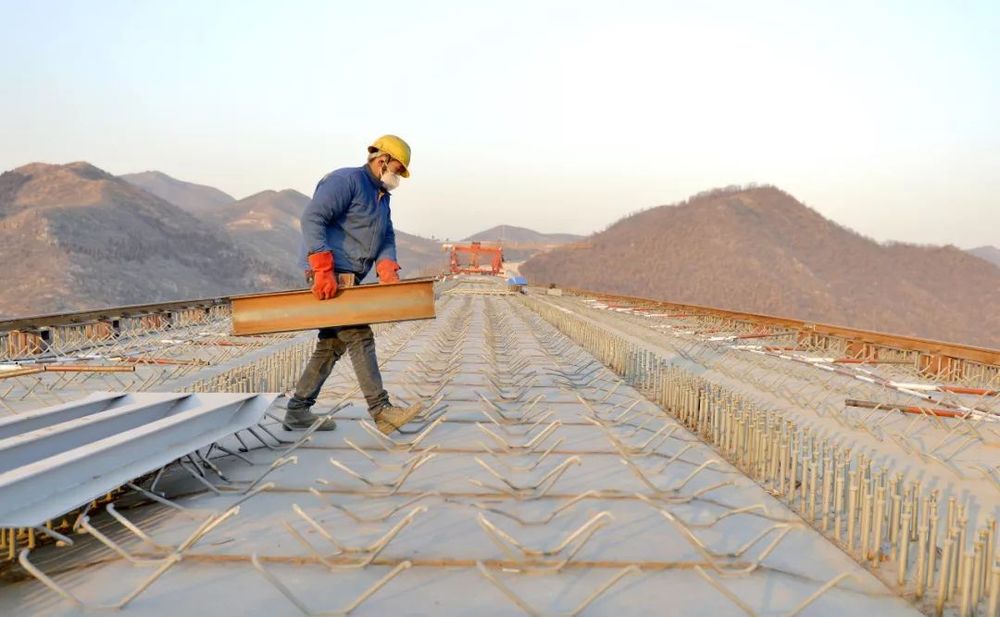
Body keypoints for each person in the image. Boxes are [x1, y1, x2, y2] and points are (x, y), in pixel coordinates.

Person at [282, 135, 420, 434]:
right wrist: (321, 267)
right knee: (359, 335)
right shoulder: (346, 181)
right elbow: (312, 218)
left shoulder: (381, 196)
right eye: (397, 168)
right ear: (382, 160)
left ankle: (297, 410)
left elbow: (386, 235)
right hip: (330, 273)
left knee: (332, 344)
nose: (398, 175)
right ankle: (381, 411)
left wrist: (387, 266)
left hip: (350, 276)